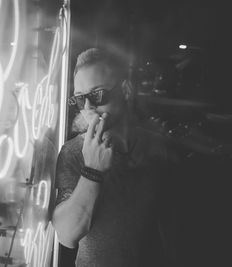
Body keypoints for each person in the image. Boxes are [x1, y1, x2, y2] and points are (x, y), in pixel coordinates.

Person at [52, 47, 177, 267]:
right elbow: (66, 235)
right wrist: (92, 171)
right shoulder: (73, 152)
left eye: (97, 94)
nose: (88, 107)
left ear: (126, 91)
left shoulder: (157, 146)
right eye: (80, 99)